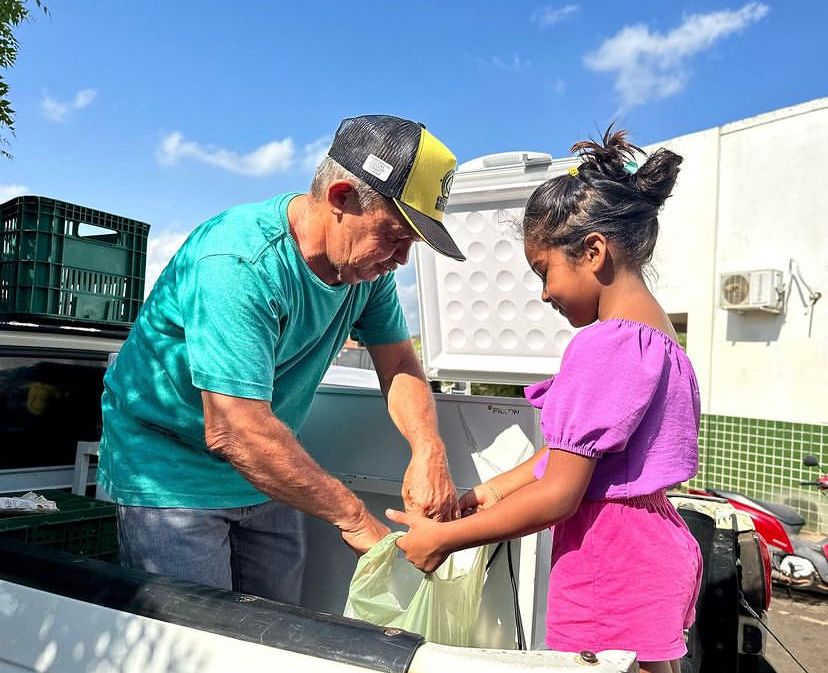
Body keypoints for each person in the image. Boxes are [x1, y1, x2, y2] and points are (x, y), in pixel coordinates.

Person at [98, 114, 464, 605]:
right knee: (197, 645)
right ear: (340, 198)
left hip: (270, 469)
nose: (400, 260)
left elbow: (399, 362)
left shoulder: (366, 272)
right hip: (171, 471)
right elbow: (234, 430)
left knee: (276, 635)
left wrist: (428, 449)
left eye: (410, 245)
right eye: (395, 236)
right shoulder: (238, 263)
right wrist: (356, 520)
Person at [387, 127, 702, 673]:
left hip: (610, 558)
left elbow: (559, 494)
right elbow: (567, 459)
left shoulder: (604, 346)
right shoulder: (660, 340)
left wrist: (445, 539)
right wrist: (491, 491)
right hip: (653, 547)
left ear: (593, 251)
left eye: (544, 271)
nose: (544, 293)